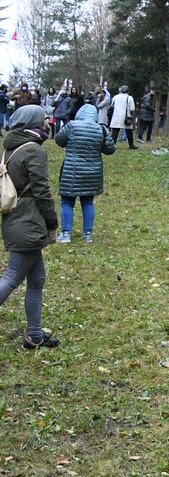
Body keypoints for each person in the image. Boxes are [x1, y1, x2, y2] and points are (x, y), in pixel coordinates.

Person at [0, 104, 60, 348]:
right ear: (35, 122)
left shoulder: (11, 148)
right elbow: (42, 191)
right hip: (30, 221)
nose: (49, 122)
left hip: (16, 218)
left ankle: (34, 336)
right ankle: (34, 335)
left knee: (37, 280)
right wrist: (52, 222)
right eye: (45, 118)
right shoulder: (33, 150)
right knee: (13, 277)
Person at [54, 103, 115, 244]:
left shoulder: (72, 125)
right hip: (93, 173)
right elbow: (110, 149)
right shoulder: (101, 129)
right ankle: (87, 235)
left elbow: (59, 140)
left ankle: (66, 234)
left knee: (67, 202)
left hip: (72, 171)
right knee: (88, 202)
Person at [109, 85, 137, 149]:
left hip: (116, 116)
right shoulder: (129, 98)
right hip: (126, 117)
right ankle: (131, 145)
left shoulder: (115, 97)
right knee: (129, 131)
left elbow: (112, 105)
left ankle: (112, 145)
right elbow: (132, 108)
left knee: (115, 132)